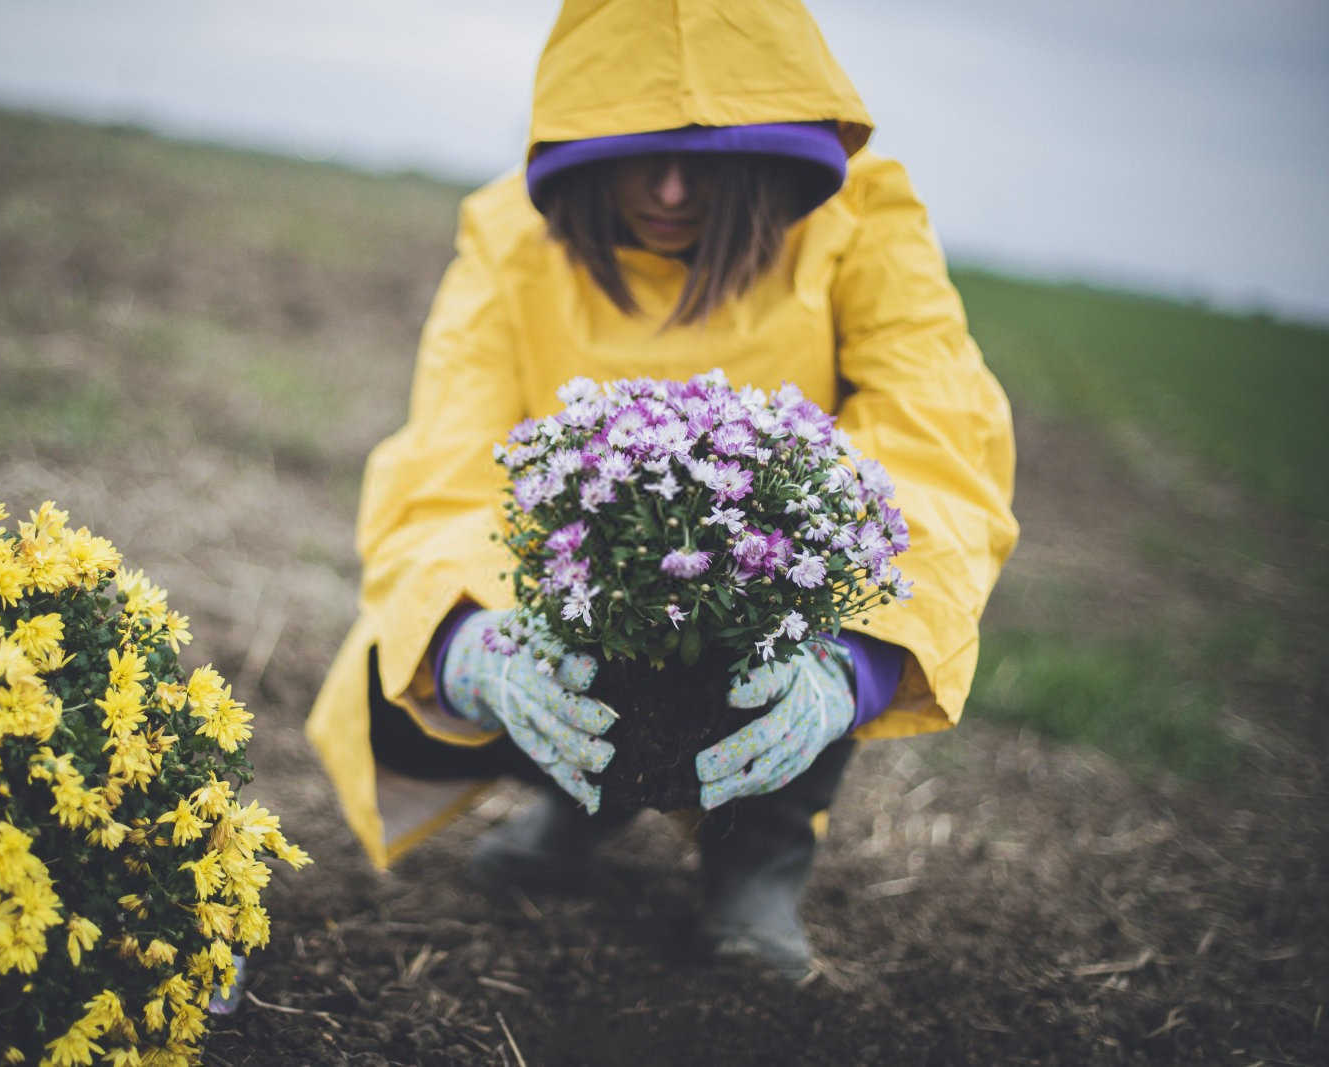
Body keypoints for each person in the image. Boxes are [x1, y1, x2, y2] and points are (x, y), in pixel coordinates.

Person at [306, 0, 1018, 979]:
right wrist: (475, 645)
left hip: (761, 606)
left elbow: (939, 451)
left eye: (711, 155)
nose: (673, 190)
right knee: (407, 659)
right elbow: (448, 466)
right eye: (638, 153)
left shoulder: (862, 224)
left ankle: (757, 855)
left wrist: (848, 661)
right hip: (564, 595)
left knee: (787, 633)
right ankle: (579, 794)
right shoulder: (512, 237)